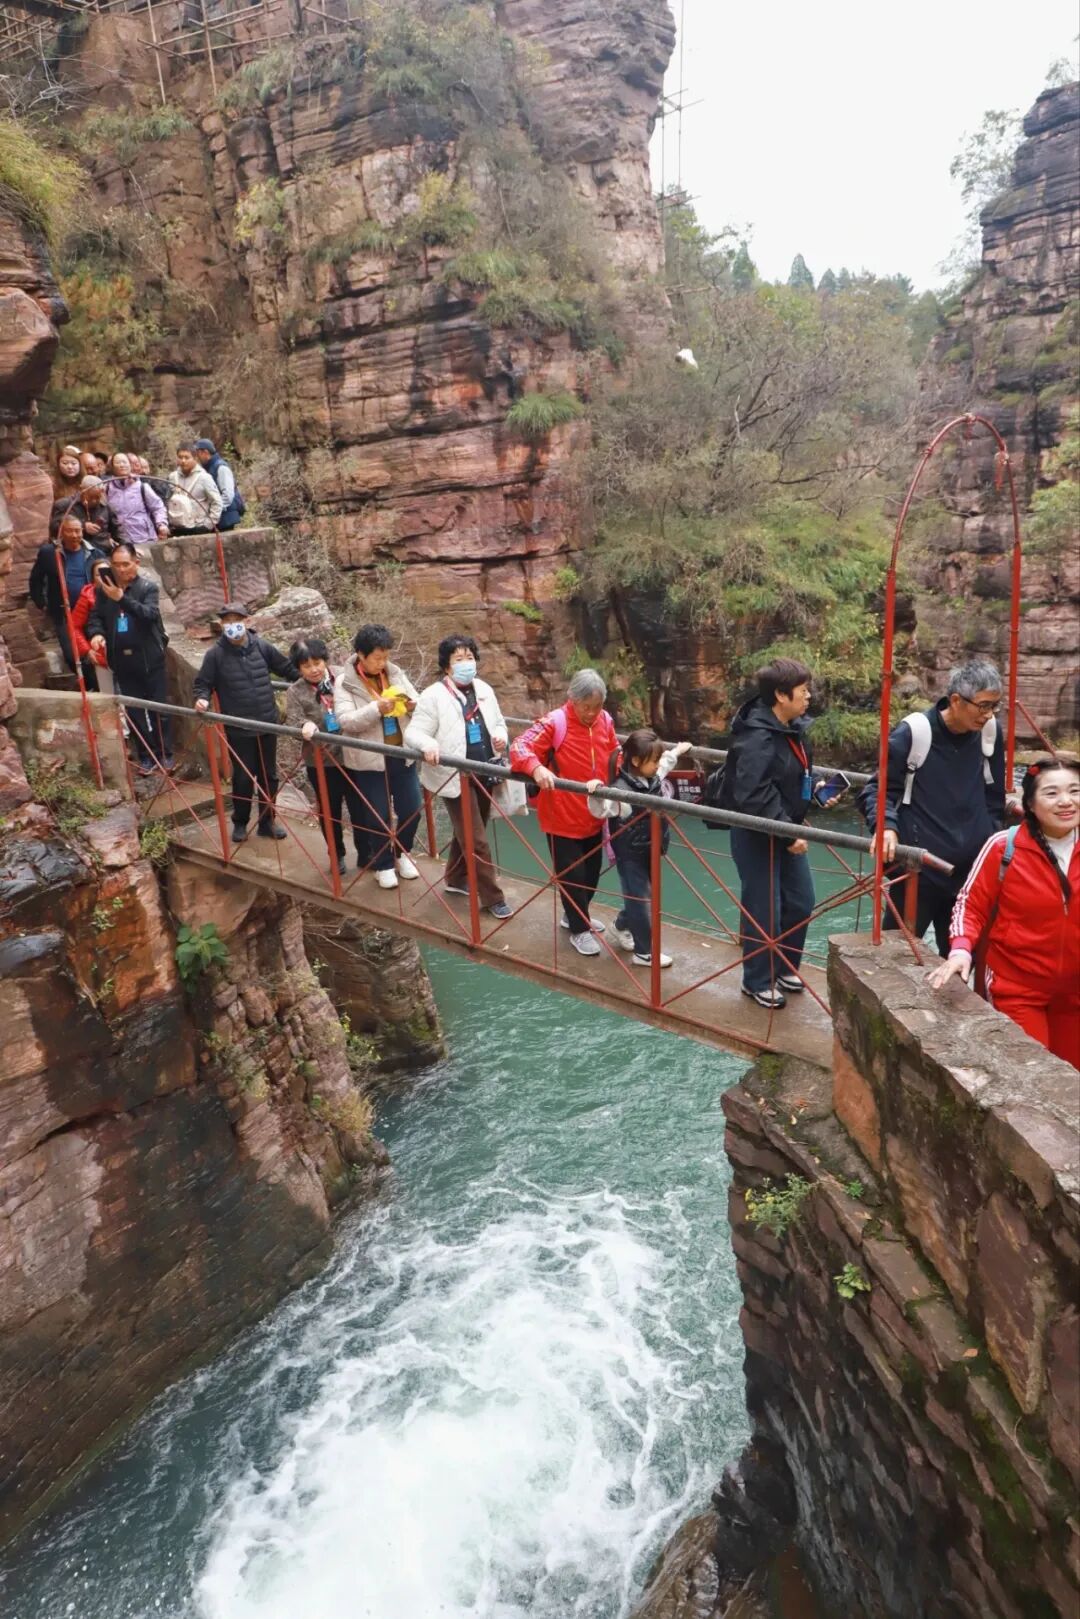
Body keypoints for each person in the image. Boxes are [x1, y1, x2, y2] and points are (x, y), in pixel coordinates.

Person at [929, 756, 1079, 1067]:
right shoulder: (1004, 847)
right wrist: (960, 951)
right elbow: (970, 903)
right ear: (1031, 804)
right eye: (1051, 793)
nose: (1066, 802)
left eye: (1075, 791)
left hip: (1075, 995)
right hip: (1017, 988)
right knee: (1030, 1077)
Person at [859, 659, 1006, 955]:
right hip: (918, 872)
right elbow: (877, 789)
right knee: (895, 955)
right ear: (955, 700)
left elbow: (994, 796)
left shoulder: (990, 734)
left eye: (995, 706)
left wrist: (991, 837)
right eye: (983, 705)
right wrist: (886, 827)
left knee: (962, 959)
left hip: (969, 874)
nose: (989, 714)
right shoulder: (915, 733)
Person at [718, 658, 825, 1008]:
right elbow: (753, 794)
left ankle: (783, 966)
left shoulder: (790, 727)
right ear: (781, 695)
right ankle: (757, 980)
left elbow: (789, 776)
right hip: (757, 833)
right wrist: (788, 833)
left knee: (800, 901)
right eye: (802, 690)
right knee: (765, 908)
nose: (808, 696)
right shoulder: (756, 736)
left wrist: (815, 793)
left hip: (784, 827)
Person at [510, 668, 619, 956]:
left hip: (594, 815)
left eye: (597, 707)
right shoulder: (554, 723)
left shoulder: (605, 721)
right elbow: (519, 746)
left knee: (592, 874)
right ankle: (579, 930)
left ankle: (573, 916)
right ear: (572, 699)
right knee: (573, 876)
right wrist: (536, 767)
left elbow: (615, 755)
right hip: (561, 815)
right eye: (586, 707)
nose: (592, 713)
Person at [405, 634, 512, 918]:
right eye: (459, 659)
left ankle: (454, 878)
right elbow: (413, 732)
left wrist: (500, 736)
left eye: (470, 658)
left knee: (469, 831)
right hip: (455, 775)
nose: (466, 664)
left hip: (486, 770)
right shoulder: (433, 696)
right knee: (476, 840)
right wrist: (428, 745)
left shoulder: (484, 690)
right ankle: (492, 898)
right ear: (447, 666)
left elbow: (499, 724)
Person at [587, 729, 693, 968]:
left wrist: (677, 750)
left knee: (643, 898)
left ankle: (620, 926)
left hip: (653, 848)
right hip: (630, 854)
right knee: (641, 900)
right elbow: (600, 810)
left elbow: (664, 763)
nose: (657, 765)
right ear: (636, 761)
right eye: (653, 760)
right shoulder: (620, 790)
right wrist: (594, 791)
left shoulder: (652, 777)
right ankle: (644, 953)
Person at [193, 602, 295, 840]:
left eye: (236, 620)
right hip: (239, 728)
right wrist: (202, 699)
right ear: (221, 625)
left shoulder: (262, 647)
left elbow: (285, 668)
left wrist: (314, 682)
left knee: (269, 775)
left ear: (247, 622)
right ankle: (240, 823)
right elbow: (203, 683)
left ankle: (267, 822)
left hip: (267, 723)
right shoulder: (215, 655)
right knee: (243, 777)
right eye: (227, 621)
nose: (232, 625)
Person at [334, 624, 421, 889]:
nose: (382, 663)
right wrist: (376, 708)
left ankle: (401, 852)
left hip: (400, 753)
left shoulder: (394, 673)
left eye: (385, 656)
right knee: (378, 814)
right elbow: (345, 721)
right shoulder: (345, 682)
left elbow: (416, 701)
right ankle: (383, 864)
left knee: (412, 808)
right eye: (377, 658)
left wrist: (411, 705)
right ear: (361, 655)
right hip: (369, 759)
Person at [87, 543, 173, 774]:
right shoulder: (102, 590)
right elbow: (96, 617)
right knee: (134, 712)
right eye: (116, 565)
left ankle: (165, 754)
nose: (121, 569)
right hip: (122, 661)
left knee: (158, 710)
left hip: (150, 660)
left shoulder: (147, 588)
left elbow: (149, 615)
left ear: (136, 562)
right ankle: (146, 755)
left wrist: (121, 598)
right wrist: (97, 634)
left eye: (125, 564)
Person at [286, 636, 364, 876]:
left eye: (317, 663)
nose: (314, 670)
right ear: (299, 668)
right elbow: (294, 720)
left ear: (325, 661)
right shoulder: (296, 691)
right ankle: (337, 854)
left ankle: (366, 853)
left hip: (352, 755)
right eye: (306, 666)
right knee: (329, 811)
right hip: (321, 761)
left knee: (360, 807)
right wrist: (305, 725)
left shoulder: (343, 677)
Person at [28, 515, 107, 684]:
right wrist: (40, 602)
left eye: (78, 531)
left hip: (90, 609)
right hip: (64, 611)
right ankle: (89, 683)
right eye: (69, 531)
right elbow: (36, 578)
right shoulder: (49, 553)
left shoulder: (94, 553)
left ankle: (97, 685)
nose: (74, 535)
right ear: (62, 533)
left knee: (95, 648)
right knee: (72, 654)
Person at [71, 554, 116, 696]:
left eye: (106, 572)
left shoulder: (122, 592)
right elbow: (74, 627)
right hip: (100, 651)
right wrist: (87, 650)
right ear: (92, 577)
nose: (102, 577)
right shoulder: (87, 597)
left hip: (123, 650)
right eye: (98, 574)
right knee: (108, 693)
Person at [105, 452, 170, 545]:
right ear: (112, 467)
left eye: (124, 462)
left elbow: (158, 507)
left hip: (145, 538)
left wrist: (161, 524)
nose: (122, 465)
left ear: (130, 465)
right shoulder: (107, 489)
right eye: (118, 462)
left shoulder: (141, 487)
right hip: (121, 541)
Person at [49, 475, 121, 548]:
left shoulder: (105, 506)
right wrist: (82, 526)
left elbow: (118, 529)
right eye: (90, 497)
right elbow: (55, 528)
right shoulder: (64, 505)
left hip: (102, 550)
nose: (94, 501)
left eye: (97, 497)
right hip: (74, 548)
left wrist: (124, 545)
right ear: (81, 490)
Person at [168, 443, 224, 534]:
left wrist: (208, 525)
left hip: (198, 528)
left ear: (195, 458)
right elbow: (168, 500)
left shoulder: (204, 478)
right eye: (180, 457)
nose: (183, 461)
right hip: (177, 528)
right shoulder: (172, 477)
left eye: (187, 457)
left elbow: (217, 502)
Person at [194, 439, 245, 531]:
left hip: (225, 518)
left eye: (198, 454)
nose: (197, 458)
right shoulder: (208, 468)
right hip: (219, 517)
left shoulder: (221, 468)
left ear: (205, 452)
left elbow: (228, 495)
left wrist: (214, 510)